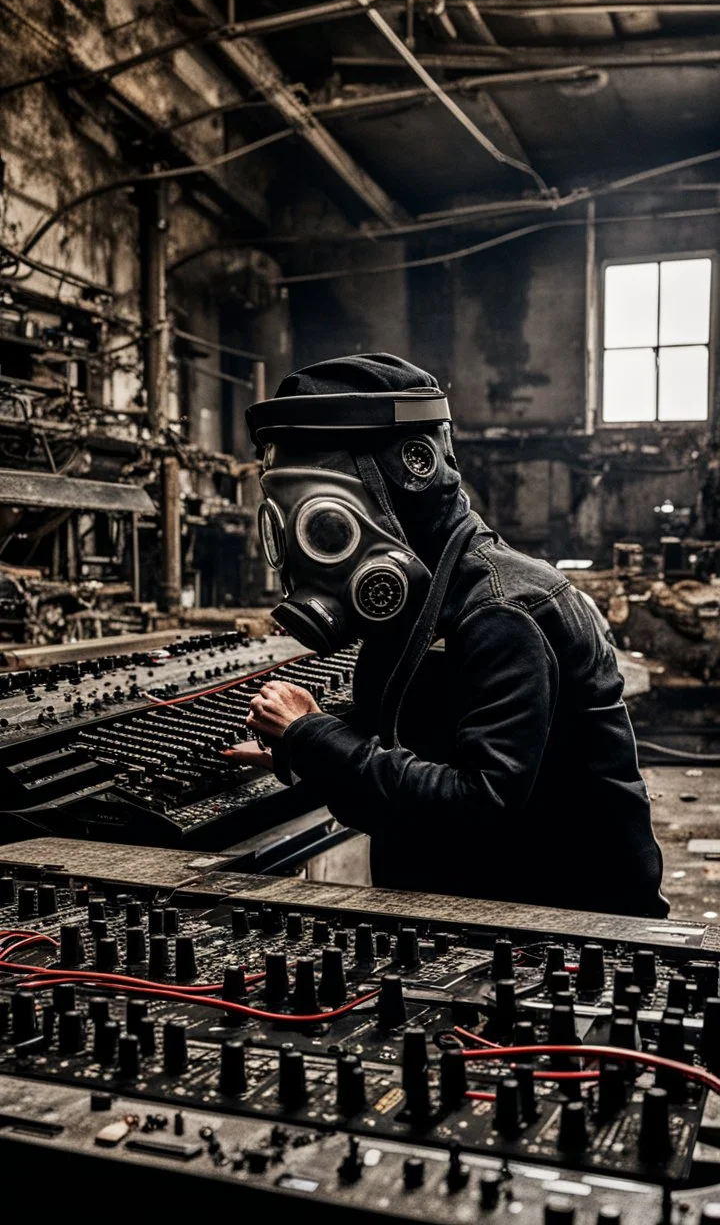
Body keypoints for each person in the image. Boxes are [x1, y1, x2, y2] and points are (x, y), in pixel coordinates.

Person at [228, 352, 667, 919]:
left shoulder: (504, 611)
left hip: (568, 929)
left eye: (325, 525)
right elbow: (423, 733)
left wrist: (314, 739)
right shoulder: (427, 594)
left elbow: (479, 803)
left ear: (417, 465)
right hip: (494, 911)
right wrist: (305, 749)